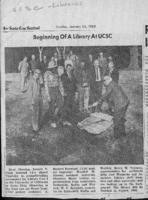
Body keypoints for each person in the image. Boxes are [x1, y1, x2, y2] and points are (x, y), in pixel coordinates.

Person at [44, 60, 64, 128]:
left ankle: (60, 119)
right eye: (52, 68)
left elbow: (60, 83)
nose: (53, 69)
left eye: (54, 67)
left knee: (61, 104)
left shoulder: (57, 73)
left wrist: (62, 92)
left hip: (57, 90)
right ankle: (53, 121)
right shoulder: (47, 74)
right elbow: (46, 85)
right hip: (51, 90)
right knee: (52, 107)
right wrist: (48, 95)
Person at [28, 69, 43, 136]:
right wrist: (31, 101)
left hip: (39, 98)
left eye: (39, 74)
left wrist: (41, 98)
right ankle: (35, 130)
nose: (38, 75)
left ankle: (38, 128)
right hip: (34, 99)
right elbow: (29, 92)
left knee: (39, 112)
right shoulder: (31, 80)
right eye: (37, 74)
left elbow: (40, 90)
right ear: (34, 73)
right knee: (35, 114)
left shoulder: (38, 80)